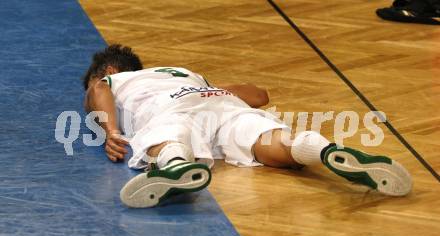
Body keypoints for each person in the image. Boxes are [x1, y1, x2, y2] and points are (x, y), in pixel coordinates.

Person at [83, 45, 412, 208]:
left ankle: (177, 165)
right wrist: (216, 91)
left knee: (167, 136)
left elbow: (98, 91)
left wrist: (110, 130)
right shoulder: (185, 72)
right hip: (216, 98)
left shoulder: (116, 79)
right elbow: (258, 95)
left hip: (169, 107)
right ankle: (325, 150)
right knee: (272, 139)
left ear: (109, 69)